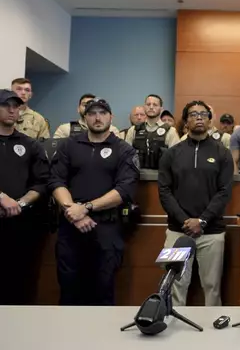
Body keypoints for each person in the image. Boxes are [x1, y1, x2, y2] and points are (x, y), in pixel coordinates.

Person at [49, 98, 139, 305]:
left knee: (103, 289)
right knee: (69, 287)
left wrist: (87, 208)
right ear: (84, 117)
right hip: (71, 227)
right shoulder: (69, 145)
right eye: (92, 113)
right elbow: (55, 180)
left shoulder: (124, 149)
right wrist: (73, 212)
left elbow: (124, 190)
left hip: (106, 228)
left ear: (111, 116)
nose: (97, 118)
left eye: (102, 113)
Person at [158, 101, 234, 306]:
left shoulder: (222, 153)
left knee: (212, 287)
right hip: (177, 231)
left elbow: (225, 191)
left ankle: (213, 336)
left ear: (210, 121)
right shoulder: (171, 154)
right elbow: (164, 192)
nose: (199, 117)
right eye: (193, 114)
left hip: (212, 233)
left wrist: (201, 220)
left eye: (203, 114)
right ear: (185, 121)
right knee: (174, 285)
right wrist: (185, 221)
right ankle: (172, 332)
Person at [0, 90, 50, 305]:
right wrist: (1, 197)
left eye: (16, 106)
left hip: (21, 223)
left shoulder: (30, 144)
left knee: (21, 281)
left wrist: (19, 203)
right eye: (6, 105)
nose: (12, 110)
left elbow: (42, 181)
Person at [125, 94, 180, 169]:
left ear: (161, 109)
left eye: (155, 105)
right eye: (148, 104)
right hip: (137, 176)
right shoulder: (133, 130)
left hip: (161, 177)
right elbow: (125, 157)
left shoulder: (170, 131)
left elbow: (176, 159)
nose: (151, 107)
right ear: (144, 107)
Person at [53, 93, 120, 138]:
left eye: (92, 105)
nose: (88, 107)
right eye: (85, 105)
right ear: (78, 109)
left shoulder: (112, 130)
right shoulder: (65, 129)